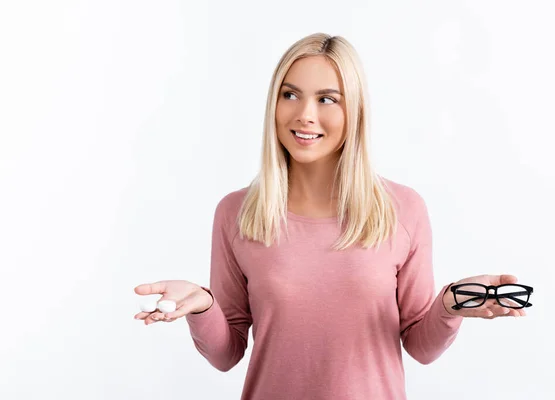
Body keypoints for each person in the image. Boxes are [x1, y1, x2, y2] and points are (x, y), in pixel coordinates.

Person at [133, 32, 527, 400]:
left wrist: (451, 304)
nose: (305, 114)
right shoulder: (237, 213)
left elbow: (421, 347)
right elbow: (226, 354)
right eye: (290, 95)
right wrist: (203, 306)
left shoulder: (403, 209)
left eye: (327, 99)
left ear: (353, 111)